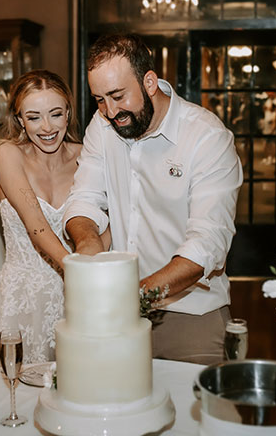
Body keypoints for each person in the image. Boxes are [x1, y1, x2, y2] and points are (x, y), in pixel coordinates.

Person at [64, 34, 243, 365]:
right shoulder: (102, 126)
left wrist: (133, 295)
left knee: (199, 414)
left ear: (149, 82)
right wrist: (87, 246)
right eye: (99, 99)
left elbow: (207, 243)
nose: (110, 111)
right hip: (114, 313)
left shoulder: (206, 138)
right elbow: (84, 199)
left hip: (189, 312)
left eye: (118, 96)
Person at [0, 70, 107, 371]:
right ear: (19, 120)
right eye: (34, 117)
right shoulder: (8, 154)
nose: (46, 127)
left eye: (55, 114)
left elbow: (106, 224)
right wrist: (78, 271)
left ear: (68, 113)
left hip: (78, 298)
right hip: (20, 300)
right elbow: (36, 225)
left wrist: (96, 272)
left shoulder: (88, 157)